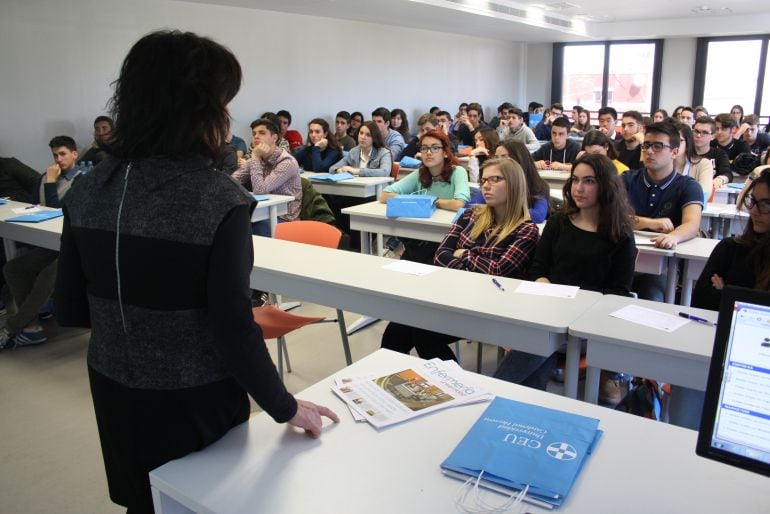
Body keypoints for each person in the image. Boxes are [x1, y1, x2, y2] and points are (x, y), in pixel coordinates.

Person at [53, 30, 338, 514]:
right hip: (193, 397)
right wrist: (286, 406)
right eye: (222, 103)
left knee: (144, 499)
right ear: (199, 110)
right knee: (206, 501)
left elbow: (70, 306)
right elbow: (232, 326)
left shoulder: (85, 189)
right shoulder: (217, 199)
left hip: (112, 383)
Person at [494, 153, 636, 391]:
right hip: (548, 313)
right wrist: (543, 283)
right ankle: (517, 404)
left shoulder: (620, 234)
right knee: (542, 341)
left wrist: (572, 301)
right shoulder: (559, 222)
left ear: (606, 186)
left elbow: (619, 292)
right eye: (576, 180)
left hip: (588, 324)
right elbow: (538, 268)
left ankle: (492, 391)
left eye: (589, 181)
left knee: (541, 340)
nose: (579, 188)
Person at [380, 157, 538, 360]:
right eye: (484, 180)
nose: (486, 186)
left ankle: (456, 387)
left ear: (514, 184)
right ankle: (387, 377)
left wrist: (464, 253)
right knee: (399, 326)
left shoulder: (526, 229)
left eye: (495, 179)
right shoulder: (471, 215)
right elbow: (441, 255)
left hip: (491, 308)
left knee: (424, 333)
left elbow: (497, 271)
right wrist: (477, 259)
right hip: (454, 295)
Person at [0, 135, 84, 349]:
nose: (58, 159)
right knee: (13, 268)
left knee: (48, 275)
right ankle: (31, 328)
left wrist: (50, 182)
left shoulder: (82, 180)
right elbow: (33, 204)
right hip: (50, 242)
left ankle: (13, 326)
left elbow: (58, 212)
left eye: (63, 154)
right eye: (55, 155)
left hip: (74, 247)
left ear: (74, 154)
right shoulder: (48, 176)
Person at [622, 122, 703, 300]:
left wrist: (673, 236)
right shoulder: (627, 179)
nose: (649, 151)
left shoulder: (688, 186)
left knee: (653, 297)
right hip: (622, 256)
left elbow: (692, 223)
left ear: (674, 152)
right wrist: (650, 223)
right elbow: (609, 216)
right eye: (646, 145)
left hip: (664, 264)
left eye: (658, 146)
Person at [380, 130, 470, 263]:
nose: (428, 152)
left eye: (435, 148)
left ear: (445, 152)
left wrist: (432, 201)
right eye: (424, 148)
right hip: (421, 233)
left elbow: (458, 204)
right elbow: (384, 195)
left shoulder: (458, 171)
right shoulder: (420, 173)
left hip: (447, 236)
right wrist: (415, 201)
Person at [693, 168, 770, 310]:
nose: (753, 210)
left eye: (765, 204)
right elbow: (700, 300)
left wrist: (727, 294)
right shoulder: (730, 248)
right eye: (753, 201)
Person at [232, 118, 302, 236]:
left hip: (284, 218)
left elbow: (260, 190)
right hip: (261, 212)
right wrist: (255, 159)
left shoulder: (286, 161)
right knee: (231, 223)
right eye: (254, 133)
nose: (256, 137)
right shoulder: (257, 158)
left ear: (274, 138)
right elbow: (232, 181)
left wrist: (255, 157)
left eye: (262, 133)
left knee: (245, 229)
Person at [467, 140, 549, 223]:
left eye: (504, 157)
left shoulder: (538, 185)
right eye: (496, 157)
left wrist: (499, 210)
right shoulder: (492, 183)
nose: (499, 162)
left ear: (519, 158)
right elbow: (471, 207)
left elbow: (539, 215)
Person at [674, 122, 713, 196]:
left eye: (679, 140)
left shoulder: (704, 164)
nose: (674, 145)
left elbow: (704, 194)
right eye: (670, 141)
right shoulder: (662, 164)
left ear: (688, 142)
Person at [693, 115, 732, 188]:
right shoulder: (684, 153)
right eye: (696, 131)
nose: (698, 135)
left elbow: (727, 173)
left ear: (713, 136)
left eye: (704, 132)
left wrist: (720, 179)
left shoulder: (720, 154)